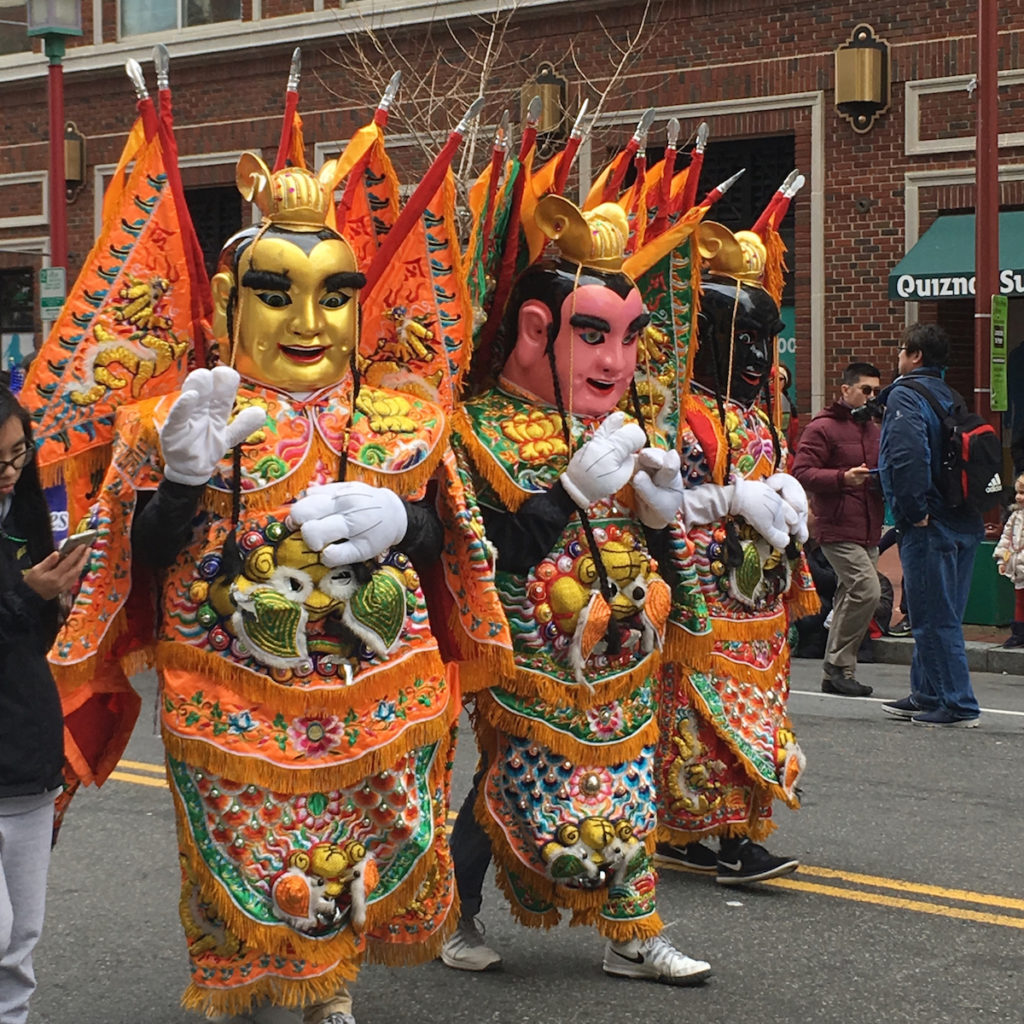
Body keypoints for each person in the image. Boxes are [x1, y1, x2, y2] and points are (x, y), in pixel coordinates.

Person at [49, 157, 458, 1024]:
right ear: (232, 298)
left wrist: (401, 519)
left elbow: (448, 549)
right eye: (278, 295)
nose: (310, 323)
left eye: (336, 296)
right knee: (234, 848)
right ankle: (240, 980)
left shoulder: (403, 416)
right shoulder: (172, 418)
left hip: (363, 685)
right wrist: (184, 485)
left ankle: (329, 986)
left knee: (346, 843)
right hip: (225, 683)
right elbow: (140, 560)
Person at [439, 196, 711, 985]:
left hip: (624, 651)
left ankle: (634, 935)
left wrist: (665, 520)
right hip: (527, 661)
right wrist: (562, 492)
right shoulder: (476, 430)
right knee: (504, 789)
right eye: (593, 335)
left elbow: (675, 576)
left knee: (629, 794)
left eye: (629, 338)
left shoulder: (628, 428)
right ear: (534, 329)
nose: (616, 361)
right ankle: (456, 917)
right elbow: (482, 563)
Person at [651, 223, 812, 884]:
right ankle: (730, 840)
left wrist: (785, 493)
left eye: (764, 343)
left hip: (759, 595)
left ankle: (704, 833)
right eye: (742, 340)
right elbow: (665, 505)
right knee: (705, 718)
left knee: (756, 707)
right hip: (704, 594)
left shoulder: (758, 414)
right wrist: (734, 500)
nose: (758, 358)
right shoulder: (682, 413)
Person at [0, 386, 91, 1024]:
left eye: (17, 454)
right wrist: (24, 593)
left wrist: (54, 602)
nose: (9, 471)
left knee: (19, 942)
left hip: (28, 765)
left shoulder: (22, 521)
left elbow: (28, 646)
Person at [878, 322, 984, 727]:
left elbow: (906, 456)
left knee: (931, 616)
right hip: (964, 519)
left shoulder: (906, 394)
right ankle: (926, 693)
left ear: (915, 355)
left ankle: (958, 705)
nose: (899, 357)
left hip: (931, 521)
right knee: (944, 613)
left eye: (903, 349)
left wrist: (913, 509)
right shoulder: (949, 395)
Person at [790, 362, 885, 696]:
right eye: (865, 389)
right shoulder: (823, 428)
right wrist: (842, 478)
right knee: (866, 589)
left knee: (852, 593)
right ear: (845, 390)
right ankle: (837, 667)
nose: (871, 396)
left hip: (868, 524)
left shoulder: (873, 429)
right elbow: (801, 472)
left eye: (875, 390)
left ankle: (838, 670)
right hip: (836, 525)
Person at [994, 472, 1024, 648]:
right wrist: (1002, 559)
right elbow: (1006, 539)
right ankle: (1019, 632)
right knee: (1019, 599)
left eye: (1023, 493)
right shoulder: (1014, 517)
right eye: (1018, 493)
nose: (1019, 497)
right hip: (1018, 564)